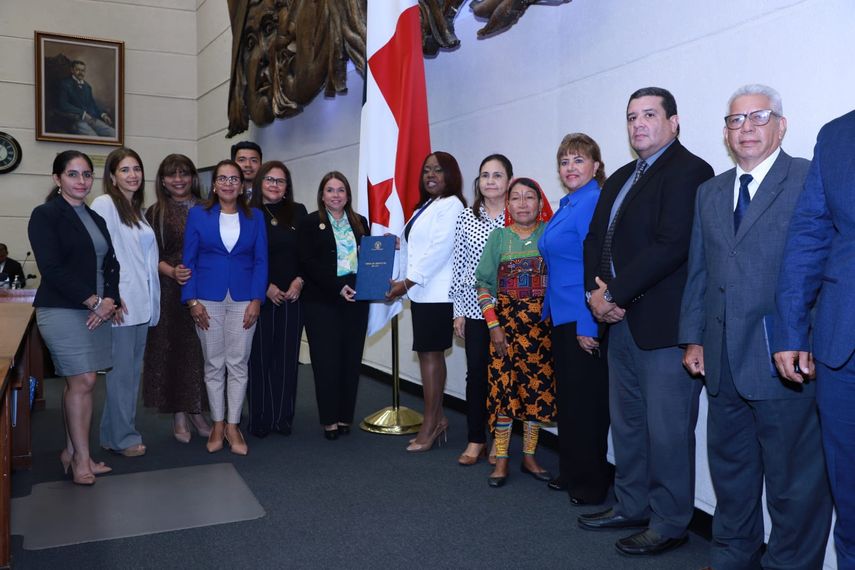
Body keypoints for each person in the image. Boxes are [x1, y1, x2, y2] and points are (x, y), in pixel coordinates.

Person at [679, 84, 832, 569]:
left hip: (783, 361)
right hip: (722, 363)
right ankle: (730, 558)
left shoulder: (809, 179)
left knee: (794, 487)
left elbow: (822, 269)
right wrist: (693, 336)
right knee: (732, 478)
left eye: (757, 117)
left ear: (781, 125)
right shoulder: (711, 191)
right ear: (726, 132)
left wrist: (805, 339)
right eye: (735, 120)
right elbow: (699, 271)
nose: (745, 128)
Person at [579, 87, 714, 556]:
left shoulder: (691, 171)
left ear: (674, 122)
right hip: (618, 323)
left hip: (664, 328)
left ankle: (670, 521)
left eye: (650, 115)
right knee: (629, 423)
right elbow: (596, 239)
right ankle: (631, 504)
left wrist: (614, 293)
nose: (638, 124)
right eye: (632, 116)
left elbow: (672, 245)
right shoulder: (618, 177)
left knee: (669, 430)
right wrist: (598, 298)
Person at [772, 109, 855, 567]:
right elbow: (809, 234)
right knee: (850, 498)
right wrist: (791, 328)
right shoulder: (838, 134)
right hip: (844, 349)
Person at [28, 150, 119, 485]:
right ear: (57, 179)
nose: (81, 181)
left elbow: (112, 264)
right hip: (63, 308)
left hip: (98, 309)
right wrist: (94, 300)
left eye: (86, 175)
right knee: (82, 382)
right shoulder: (46, 215)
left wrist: (110, 300)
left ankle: (73, 451)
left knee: (84, 383)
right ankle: (81, 458)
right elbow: (51, 268)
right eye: (73, 174)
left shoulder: (96, 219)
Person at [539, 133, 612, 504]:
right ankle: (572, 471)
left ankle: (591, 483)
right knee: (569, 401)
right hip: (562, 316)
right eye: (565, 161)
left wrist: (588, 323)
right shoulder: (569, 203)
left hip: (582, 318)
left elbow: (596, 265)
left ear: (595, 166)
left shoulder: (593, 202)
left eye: (578, 160)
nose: (570, 168)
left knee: (587, 406)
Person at [182, 159, 268, 455]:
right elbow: (188, 260)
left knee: (238, 363)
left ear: (243, 185)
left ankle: (233, 425)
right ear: (214, 184)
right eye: (223, 178)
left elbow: (261, 261)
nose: (229, 183)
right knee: (214, 363)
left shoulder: (255, 217)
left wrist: (257, 299)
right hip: (207, 299)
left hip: (245, 298)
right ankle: (217, 423)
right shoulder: (198, 215)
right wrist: (191, 301)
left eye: (235, 179)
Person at [475, 177, 555, 487]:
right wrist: (494, 327)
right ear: (507, 205)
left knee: (535, 395)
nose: (522, 203)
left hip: (541, 332)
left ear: (539, 202)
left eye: (529, 197)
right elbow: (483, 285)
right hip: (505, 333)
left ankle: (530, 456)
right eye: (516, 198)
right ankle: (502, 459)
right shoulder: (498, 238)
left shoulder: (550, 235)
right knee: (504, 395)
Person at [387, 152, 466, 452]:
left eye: (438, 170)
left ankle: (431, 424)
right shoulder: (426, 206)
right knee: (427, 356)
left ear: (450, 175)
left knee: (431, 356)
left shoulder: (452, 205)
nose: (430, 175)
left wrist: (406, 282)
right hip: (422, 293)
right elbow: (414, 248)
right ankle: (439, 417)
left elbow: (439, 250)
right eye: (426, 171)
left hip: (438, 295)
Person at [91, 148, 160, 458]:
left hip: (142, 304)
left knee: (130, 373)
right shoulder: (105, 204)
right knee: (123, 376)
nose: (133, 175)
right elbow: (99, 255)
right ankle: (123, 437)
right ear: (112, 176)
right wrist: (111, 297)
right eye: (125, 170)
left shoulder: (137, 210)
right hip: (122, 304)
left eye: (137, 168)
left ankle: (111, 435)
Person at [142, 154, 211, 443]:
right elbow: (147, 257)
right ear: (162, 180)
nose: (179, 179)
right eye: (172, 174)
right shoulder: (154, 213)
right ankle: (179, 415)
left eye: (184, 173)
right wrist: (171, 271)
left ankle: (198, 412)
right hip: (170, 290)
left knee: (201, 352)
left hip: (207, 288)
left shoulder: (210, 208)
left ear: (194, 177)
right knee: (173, 351)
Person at [297, 172, 369, 439]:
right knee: (326, 362)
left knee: (350, 360)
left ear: (348, 195)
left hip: (356, 299)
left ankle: (344, 417)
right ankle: (328, 419)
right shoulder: (309, 223)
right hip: (322, 300)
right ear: (322, 195)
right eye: (330, 190)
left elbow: (369, 259)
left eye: (341, 190)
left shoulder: (360, 222)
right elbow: (306, 262)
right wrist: (337, 286)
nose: (336, 195)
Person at [450, 154, 511, 465]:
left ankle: (501, 443)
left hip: (511, 311)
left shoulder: (518, 215)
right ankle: (476, 440)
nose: (490, 181)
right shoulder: (466, 217)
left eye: (497, 175)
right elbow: (459, 266)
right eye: (485, 175)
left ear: (508, 181)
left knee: (506, 378)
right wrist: (458, 310)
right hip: (475, 310)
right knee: (477, 375)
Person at [247, 161, 307, 437]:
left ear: (287, 187)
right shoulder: (248, 213)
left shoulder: (298, 212)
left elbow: (308, 254)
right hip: (260, 296)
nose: (274, 184)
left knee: (285, 358)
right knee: (259, 359)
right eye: (269, 179)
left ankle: (282, 417)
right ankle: (259, 418)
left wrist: (299, 280)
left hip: (293, 296)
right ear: (260, 182)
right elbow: (245, 256)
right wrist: (265, 286)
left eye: (280, 181)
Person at [57, 60, 116, 138]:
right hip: (75, 120)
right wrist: (82, 113)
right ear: (72, 70)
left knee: (113, 133)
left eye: (83, 70)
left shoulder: (87, 87)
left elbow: (93, 104)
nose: (81, 73)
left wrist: (103, 115)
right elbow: (63, 105)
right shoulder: (65, 84)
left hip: (91, 119)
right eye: (78, 70)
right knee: (94, 138)